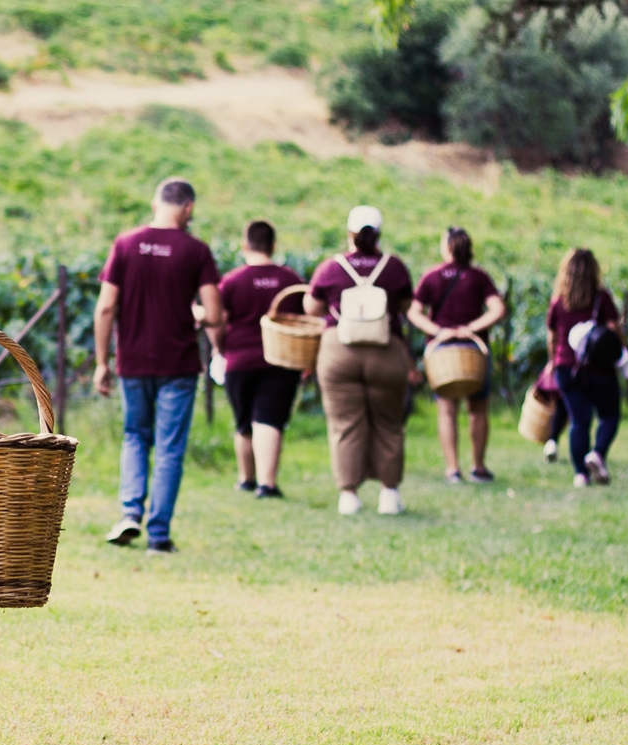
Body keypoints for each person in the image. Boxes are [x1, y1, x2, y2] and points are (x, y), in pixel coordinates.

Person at [93, 178, 223, 553]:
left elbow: (105, 307)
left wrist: (102, 362)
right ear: (188, 209)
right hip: (178, 364)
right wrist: (197, 313)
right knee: (168, 448)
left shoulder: (126, 243)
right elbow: (214, 314)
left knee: (135, 436)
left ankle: (129, 513)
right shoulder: (197, 250)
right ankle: (159, 535)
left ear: (155, 204)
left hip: (132, 361)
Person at [304, 206, 414, 516]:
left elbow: (312, 308)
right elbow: (406, 306)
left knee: (344, 423)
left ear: (350, 233)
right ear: (378, 234)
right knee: (389, 423)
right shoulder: (394, 268)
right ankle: (389, 494)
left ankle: (349, 496)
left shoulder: (331, 268)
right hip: (386, 351)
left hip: (339, 352)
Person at [211, 220, 304, 499]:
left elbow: (218, 322)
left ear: (245, 245)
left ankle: (246, 479)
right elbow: (303, 319)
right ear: (274, 246)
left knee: (243, 421)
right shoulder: (290, 279)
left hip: (239, 360)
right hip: (280, 360)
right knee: (270, 419)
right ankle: (267, 484)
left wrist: (219, 349)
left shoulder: (231, 281)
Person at [407, 226, 507, 484]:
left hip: (442, 353)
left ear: (448, 247)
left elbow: (414, 312)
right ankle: (479, 466)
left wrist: (439, 331)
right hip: (474, 351)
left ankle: (452, 469)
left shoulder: (432, 276)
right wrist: (471, 329)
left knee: (447, 410)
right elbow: (497, 309)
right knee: (478, 409)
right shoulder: (478, 277)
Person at [546, 247, 623, 487]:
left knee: (579, 422)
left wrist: (552, 361)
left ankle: (580, 474)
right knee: (609, 415)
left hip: (567, 367)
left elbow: (552, 335)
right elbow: (614, 330)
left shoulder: (559, 301)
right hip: (599, 369)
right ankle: (597, 454)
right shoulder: (602, 298)